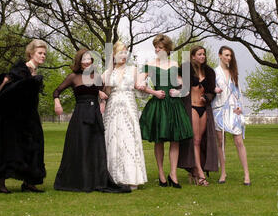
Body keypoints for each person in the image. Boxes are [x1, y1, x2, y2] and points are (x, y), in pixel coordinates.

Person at [0, 39, 47, 193]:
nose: (43, 56)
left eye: (44, 53)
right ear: (31, 53)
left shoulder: (34, 72)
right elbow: (4, 82)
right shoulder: (21, 70)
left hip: (30, 117)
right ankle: (0, 183)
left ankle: (29, 182)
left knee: (34, 147)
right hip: (13, 117)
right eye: (40, 53)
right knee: (9, 148)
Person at [52, 49, 131, 193]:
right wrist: (57, 102)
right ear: (79, 62)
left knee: (96, 148)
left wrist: (102, 95)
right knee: (80, 146)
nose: (87, 61)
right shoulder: (73, 77)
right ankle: (81, 181)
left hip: (95, 115)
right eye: (84, 59)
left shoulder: (97, 76)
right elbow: (56, 91)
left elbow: (105, 93)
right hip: (80, 114)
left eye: (89, 59)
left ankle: (97, 180)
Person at [139, 34, 193, 188]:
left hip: (174, 105)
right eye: (155, 47)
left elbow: (185, 87)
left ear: (167, 49)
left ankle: (173, 174)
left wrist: (178, 92)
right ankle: (161, 173)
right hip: (159, 104)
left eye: (160, 47)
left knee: (175, 140)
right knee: (159, 140)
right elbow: (138, 84)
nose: (157, 49)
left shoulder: (175, 64)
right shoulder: (149, 64)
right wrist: (153, 92)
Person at [102, 41, 148, 190]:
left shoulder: (133, 70)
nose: (123, 55)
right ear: (114, 54)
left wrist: (144, 87)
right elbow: (104, 92)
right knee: (113, 138)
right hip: (113, 106)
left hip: (129, 105)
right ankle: (114, 178)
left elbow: (140, 90)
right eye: (120, 52)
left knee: (129, 138)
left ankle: (132, 177)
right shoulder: (108, 72)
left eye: (125, 52)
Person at [178, 46, 219, 186]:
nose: (202, 56)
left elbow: (212, 91)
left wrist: (207, 97)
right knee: (194, 140)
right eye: (199, 54)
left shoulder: (209, 71)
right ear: (193, 56)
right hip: (192, 107)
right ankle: (200, 174)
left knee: (201, 140)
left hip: (204, 108)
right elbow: (177, 83)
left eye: (204, 54)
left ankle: (194, 171)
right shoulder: (186, 69)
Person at [213, 46, 251, 186]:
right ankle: (223, 172)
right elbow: (209, 88)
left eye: (230, 56)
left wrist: (240, 106)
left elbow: (238, 91)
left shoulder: (234, 72)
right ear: (220, 55)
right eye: (226, 55)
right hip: (218, 110)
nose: (228, 58)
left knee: (239, 141)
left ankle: (246, 174)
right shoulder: (214, 72)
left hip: (234, 111)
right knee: (221, 142)